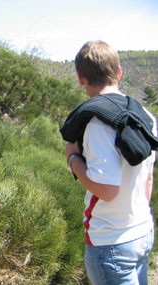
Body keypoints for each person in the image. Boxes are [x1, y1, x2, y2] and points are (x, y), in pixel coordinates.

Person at [60, 40, 157, 284]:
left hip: (111, 243)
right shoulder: (145, 116)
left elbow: (106, 189)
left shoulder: (97, 126)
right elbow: (148, 178)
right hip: (142, 231)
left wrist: (73, 158)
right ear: (119, 72)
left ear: (81, 78)